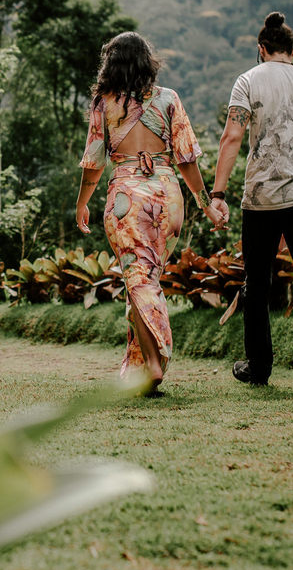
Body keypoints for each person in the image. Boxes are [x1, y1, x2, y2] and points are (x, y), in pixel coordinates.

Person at [76, 32, 225, 394]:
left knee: (137, 278)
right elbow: (187, 161)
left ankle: (155, 362)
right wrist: (207, 206)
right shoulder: (169, 99)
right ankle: (140, 372)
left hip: (128, 198)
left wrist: (82, 203)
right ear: (147, 62)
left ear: (111, 65)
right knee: (144, 278)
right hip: (168, 198)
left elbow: (94, 165)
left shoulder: (103, 105)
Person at [208, 12, 293, 392]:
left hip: (262, 197)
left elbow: (232, 137)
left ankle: (259, 367)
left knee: (257, 282)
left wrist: (218, 193)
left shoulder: (248, 80)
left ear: (261, 49)